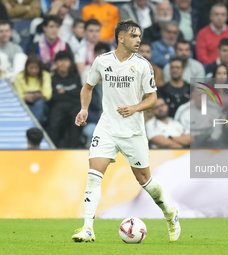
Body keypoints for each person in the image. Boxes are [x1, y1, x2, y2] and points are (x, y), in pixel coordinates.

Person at [72, 19, 180, 242]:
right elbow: (88, 87)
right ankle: (88, 228)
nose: (138, 39)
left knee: (145, 181)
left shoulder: (142, 65)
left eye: (139, 36)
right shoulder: (102, 62)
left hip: (133, 132)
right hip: (107, 127)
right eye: (133, 36)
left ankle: (170, 213)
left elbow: (152, 99)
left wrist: (134, 108)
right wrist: (83, 109)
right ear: (120, 38)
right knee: (94, 175)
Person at [48, 50, 82, 148]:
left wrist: (64, 92)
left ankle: (74, 150)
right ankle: (52, 148)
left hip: (74, 107)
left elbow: (79, 95)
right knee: (54, 123)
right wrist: (70, 93)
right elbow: (53, 97)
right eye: (60, 60)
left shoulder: (75, 77)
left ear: (70, 63)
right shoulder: (52, 78)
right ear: (55, 63)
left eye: (66, 60)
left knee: (76, 121)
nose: (63, 63)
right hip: (57, 107)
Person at [14, 54, 52, 123]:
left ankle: (33, 124)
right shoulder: (19, 76)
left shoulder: (45, 75)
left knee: (39, 103)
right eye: (31, 68)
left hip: (40, 101)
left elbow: (47, 94)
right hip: (24, 101)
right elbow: (17, 94)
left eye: (36, 68)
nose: (33, 70)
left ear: (40, 68)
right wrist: (25, 97)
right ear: (26, 67)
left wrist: (36, 96)